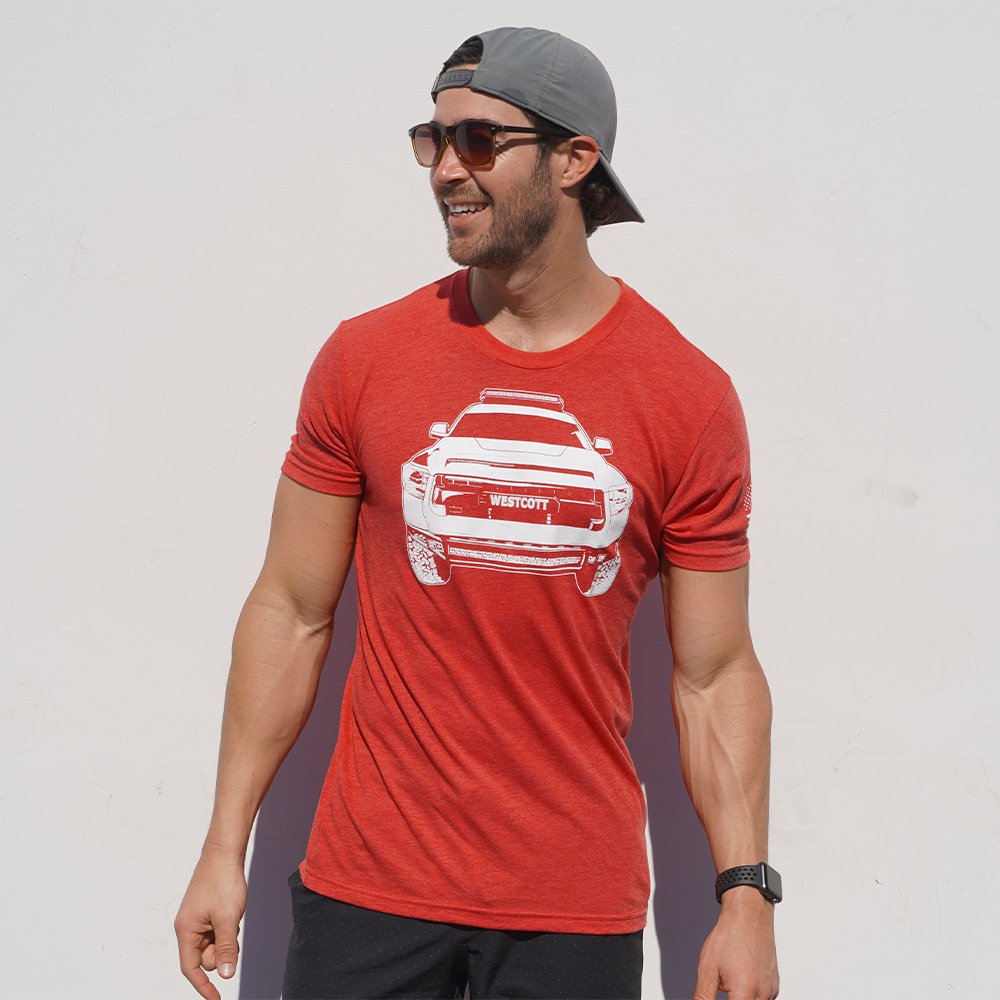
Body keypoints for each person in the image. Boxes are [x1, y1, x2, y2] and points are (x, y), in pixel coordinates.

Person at [175, 26, 780, 1000]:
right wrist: (220, 846)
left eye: (479, 141)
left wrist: (745, 898)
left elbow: (714, 675)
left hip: (570, 903)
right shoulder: (366, 359)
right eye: (434, 138)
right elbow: (289, 610)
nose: (446, 169)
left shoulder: (686, 397)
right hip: (368, 888)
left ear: (575, 159)